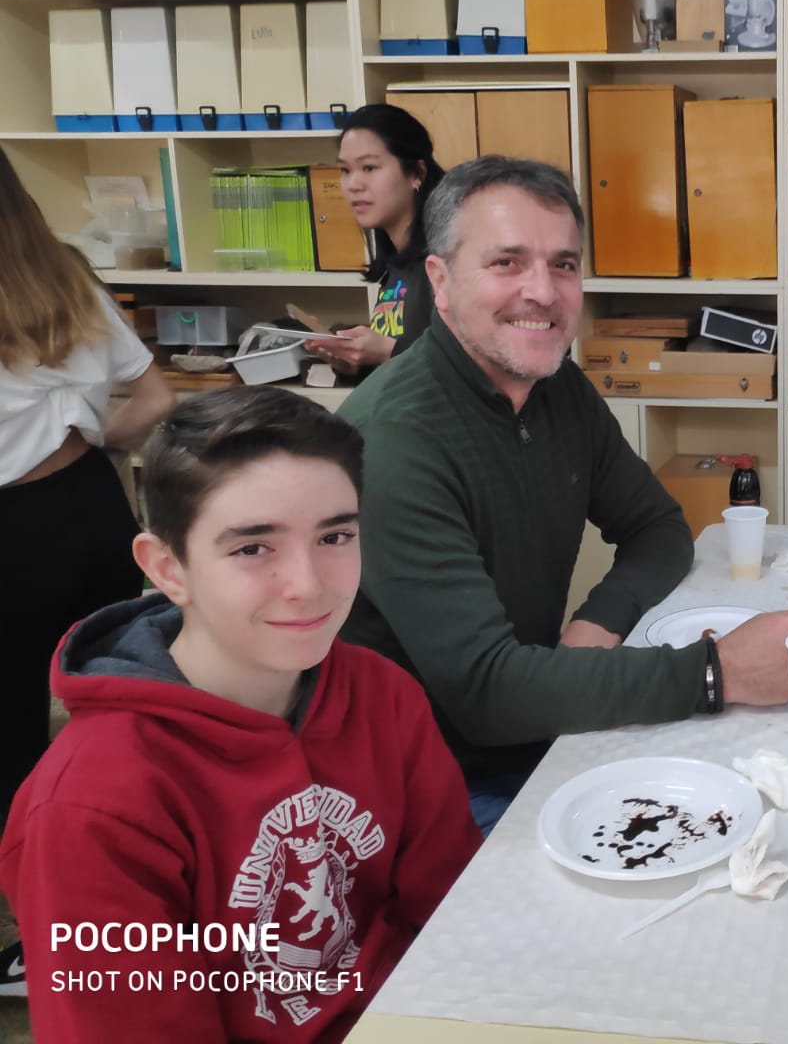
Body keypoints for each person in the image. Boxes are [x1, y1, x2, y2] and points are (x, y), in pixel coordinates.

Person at [337, 155, 788, 833]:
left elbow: (658, 527)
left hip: (538, 726)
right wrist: (718, 673)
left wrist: (596, 623)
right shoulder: (393, 441)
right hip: (430, 787)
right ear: (440, 282)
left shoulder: (557, 389)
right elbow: (487, 693)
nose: (543, 291)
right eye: (507, 262)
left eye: (563, 264)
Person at [0, 387, 481, 1039]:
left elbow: (452, 912)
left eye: (335, 535)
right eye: (253, 547)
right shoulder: (90, 809)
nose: (308, 584)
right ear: (169, 569)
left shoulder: (382, 693)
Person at [0, 145, 175, 995]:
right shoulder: (63, 271)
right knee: (111, 707)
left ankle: (35, 929)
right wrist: (88, 437)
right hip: (93, 508)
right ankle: (136, 892)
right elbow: (157, 397)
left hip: (11, 531)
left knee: (8, 734)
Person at [304, 104, 447, 373]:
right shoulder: (395, 264)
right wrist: (351, 362)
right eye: (345, 170)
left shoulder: (445, 260)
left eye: (369, 168)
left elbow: (471, 366)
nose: (353, 184)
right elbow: (395, 373)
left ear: (417, 173)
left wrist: (387, 350)